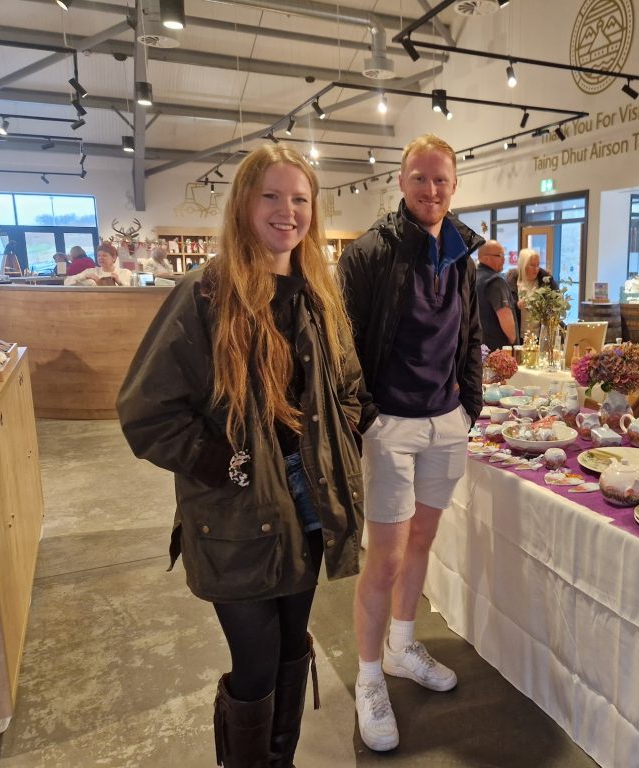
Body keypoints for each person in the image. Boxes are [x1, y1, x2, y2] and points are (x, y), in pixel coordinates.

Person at [117, 144, 366, 768]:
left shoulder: (317, 295)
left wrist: (338, 441)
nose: (288, 212)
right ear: (244, 204)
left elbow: (352, 388)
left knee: (291, 646)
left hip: (309, 501)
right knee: (254, 664)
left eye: (300, 199)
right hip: (236, 510)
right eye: (272, 197)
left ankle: (279, 760)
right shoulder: (204, 294)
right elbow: (147, 410)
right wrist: (221, 463)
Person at [336, 133, 484, 753]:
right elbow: (345, 341)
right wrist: (368, 415)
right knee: (386, 558)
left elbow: (470, 333)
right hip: (391, 424)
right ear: (402, 182)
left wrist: (469, 407)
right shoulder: (371, 252)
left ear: (454, 186)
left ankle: (402, 645)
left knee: (423, 540)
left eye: (441, 181)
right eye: (420, 179)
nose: (431, 190)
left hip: (445, 420)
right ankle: (370, 677)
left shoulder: (462, 256)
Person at [507, 247, 558, 342]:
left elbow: (555, 304)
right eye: (532, 265)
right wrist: (517, 305)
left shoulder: (546, 282)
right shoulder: (511, 282)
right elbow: (505, 307)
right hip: (518, 336)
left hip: (540, 336)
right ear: (523, 265)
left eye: (538, 265)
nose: (536, 269)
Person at [476, 240, 517, 350]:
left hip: (477, 347)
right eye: (500, 255)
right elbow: (505, 316)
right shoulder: (495, 282)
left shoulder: (472, 278)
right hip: (497, 350)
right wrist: (513, 342)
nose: (504, 259)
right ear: (485, 258)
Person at [64, 242, 133, 286]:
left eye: (104, 255)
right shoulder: (90, 271)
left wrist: (119, 282)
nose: (100, 258)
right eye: (99, 255)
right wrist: (84, 277)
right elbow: (67, 282)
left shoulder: (124, 273)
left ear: (114, 258)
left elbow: (132, 291)